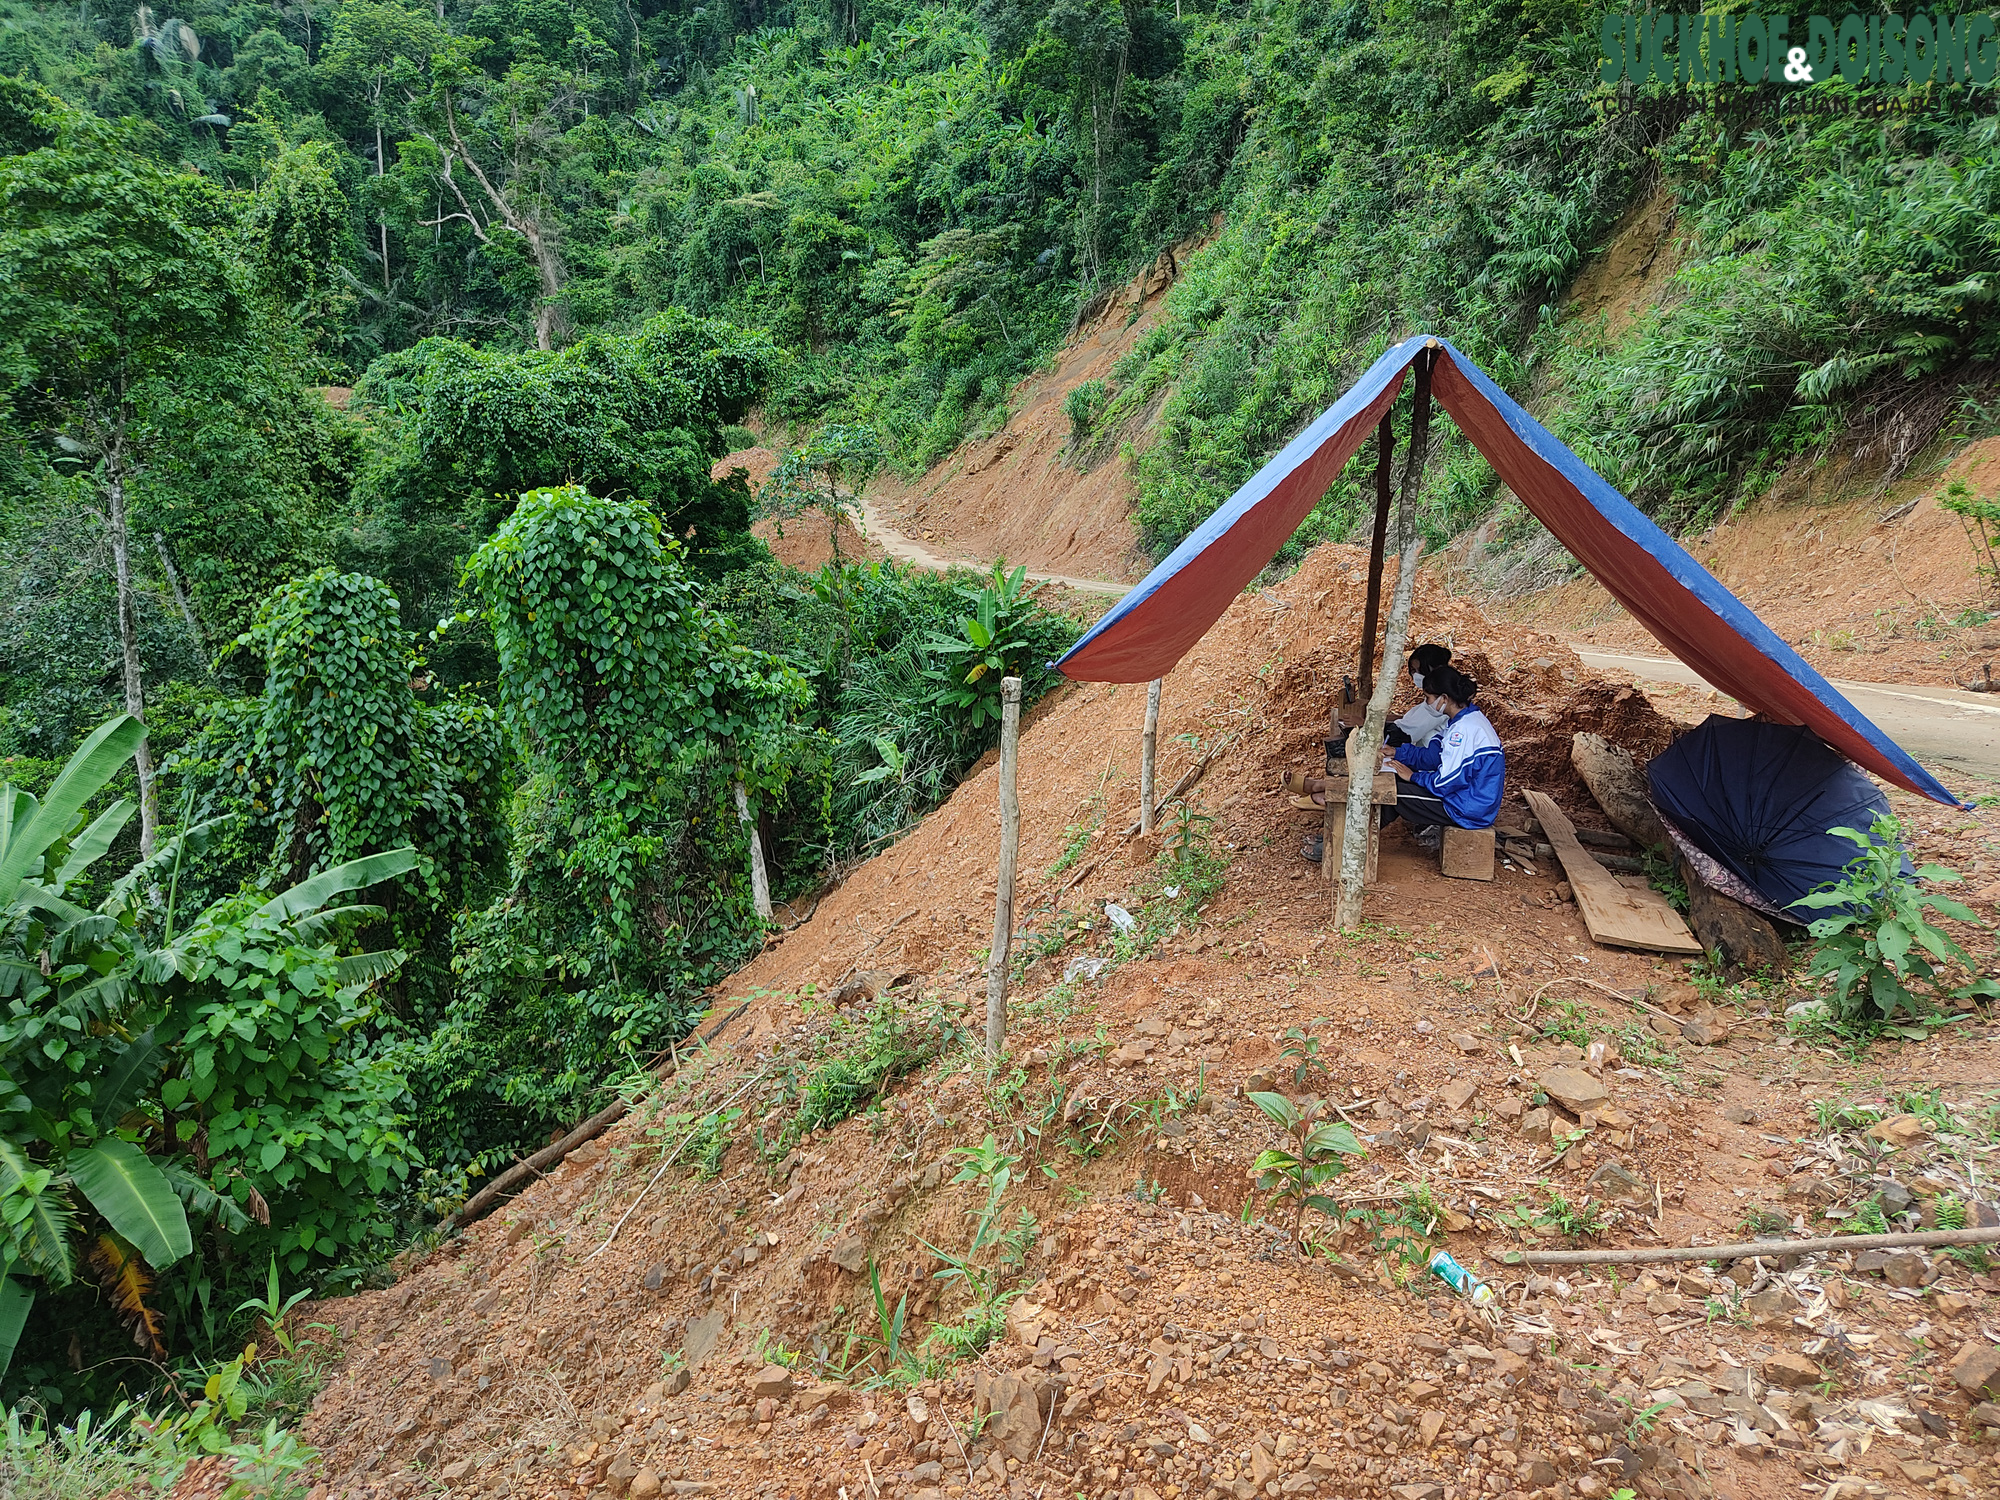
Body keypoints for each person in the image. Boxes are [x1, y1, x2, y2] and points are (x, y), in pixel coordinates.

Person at [1381, 663, 1504, 851]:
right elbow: (1433, 757)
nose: (1426, 703)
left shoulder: (1464, 731)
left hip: (1466, 808)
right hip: (1464, 798)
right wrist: (1398, 753)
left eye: (1428, 698)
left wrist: (1413, 776)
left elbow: (1445, 783)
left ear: (1444, 698)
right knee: (1396, 783)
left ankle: (1350, 843)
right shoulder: (1461, 721)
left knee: (1392, 794)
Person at [1383, 643, 1454, 749]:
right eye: (1413, 671)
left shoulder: (1439, 703)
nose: (1416, 675)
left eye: (1420, 671)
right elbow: (1410, 721)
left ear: (1436, 669)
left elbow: (1403, 733)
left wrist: (1368, 727)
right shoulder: (1443, 695)